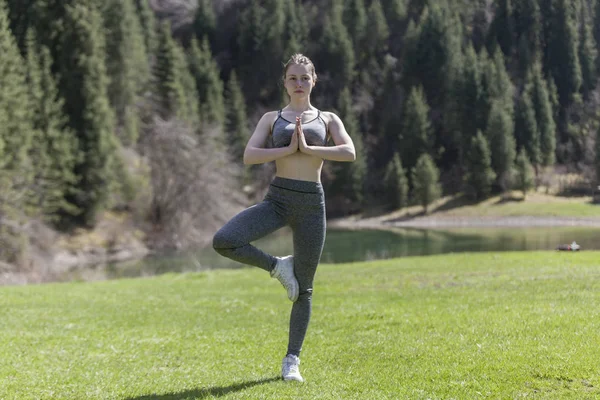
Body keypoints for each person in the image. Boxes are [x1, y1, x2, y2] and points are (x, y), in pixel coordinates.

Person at [212, 53, 356, 382]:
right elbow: (250, 155)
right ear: (285, 83)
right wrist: (287, 150)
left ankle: (292, 361)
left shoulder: (328, 118)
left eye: (305, 78)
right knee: (225, 240)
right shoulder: (272, 118)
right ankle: (279, 267)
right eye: (293, 78)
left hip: (311, 205)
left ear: (314, 81)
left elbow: (349, 152)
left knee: (304, 289)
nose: (299, 83)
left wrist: (309, 148)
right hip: (277, 199)